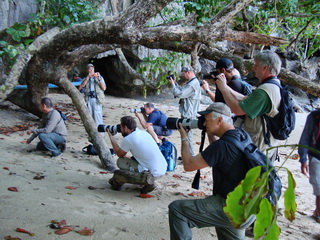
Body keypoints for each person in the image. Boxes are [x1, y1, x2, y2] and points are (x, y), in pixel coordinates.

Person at [168, 102, 255, 239]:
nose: (204, 123)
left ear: (219, 120)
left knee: (177, 209)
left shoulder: (222, 146)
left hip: (229, 207)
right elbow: (218, 150)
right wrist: (210, 132)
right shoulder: (241, 135)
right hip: (247, 207)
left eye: (207, 120)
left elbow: (188, 165)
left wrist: (184, 137)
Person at [216, 50, 282, 158]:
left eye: (256, 65)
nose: (253, 68)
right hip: (267, 144)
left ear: (265, 68)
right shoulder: (273, 84)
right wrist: (227, 87)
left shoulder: (264, 91)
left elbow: (238, 110)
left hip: (259, 147)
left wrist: (223, 89)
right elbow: (245, 98)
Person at [107, 116, 167, 193]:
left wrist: (111, 137)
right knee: (132, 159)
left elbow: (119, 154)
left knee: (121, 162)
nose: (120, 130)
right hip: (162, 168)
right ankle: (145, 178)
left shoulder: (129, 139)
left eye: (121, 127)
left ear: (125, 127)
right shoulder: (143, 133)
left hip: (152, 174)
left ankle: (146, 181)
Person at [169, 66, 201, 156]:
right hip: (188, 111)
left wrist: (172, 84)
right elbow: (183, 91)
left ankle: (190, 156)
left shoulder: (192, 84)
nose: (183, 76)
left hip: (189, 113)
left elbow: (179, 94)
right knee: (186, 135)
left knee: (187, 135)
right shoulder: (191, 82)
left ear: (189, 72)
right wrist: (175, 84)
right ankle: (187, 155)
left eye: (184, 74)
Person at [298, 109, 320, 223]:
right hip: (316, 155)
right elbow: (305, 137)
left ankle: (318, 212)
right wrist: (303, 159)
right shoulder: (315, 116)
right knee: (319, 189)